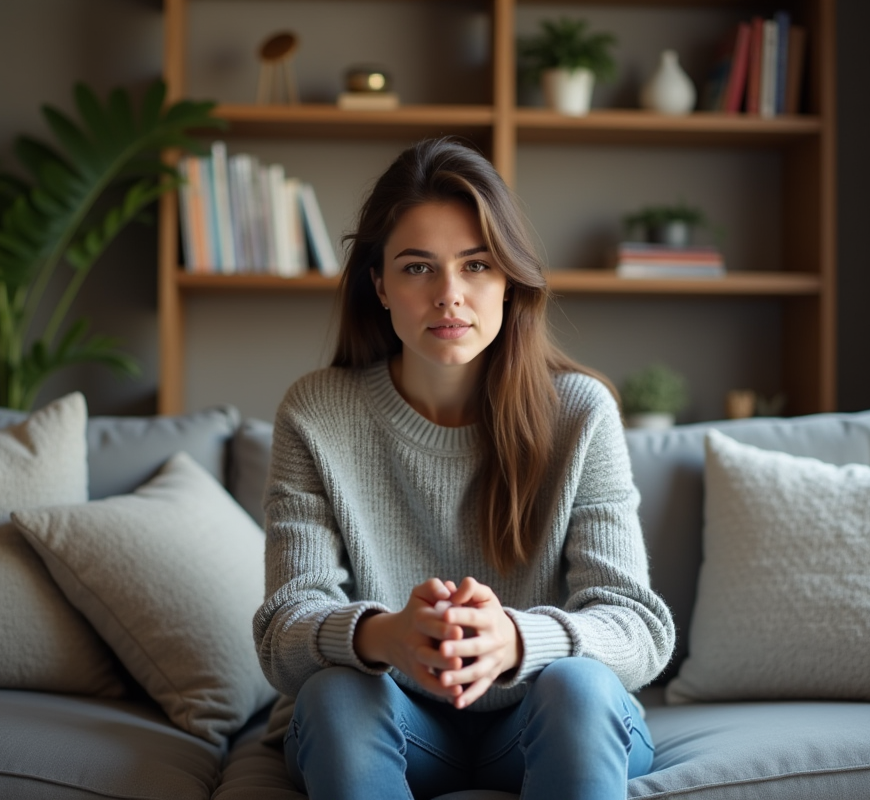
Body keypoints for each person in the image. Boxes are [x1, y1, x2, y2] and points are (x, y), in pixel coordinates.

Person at [253, 137, 675, 800]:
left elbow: (637, 627)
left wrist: (516, 638)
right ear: (381, 285)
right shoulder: (317, 412)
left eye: (475, 265)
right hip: (391, 724)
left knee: (580, 684)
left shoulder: (580, 412)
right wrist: (384, 635)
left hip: (544, 721)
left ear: (508, 280)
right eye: (418, 268)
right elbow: (283, 629)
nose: (449, 295)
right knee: (335, 692)